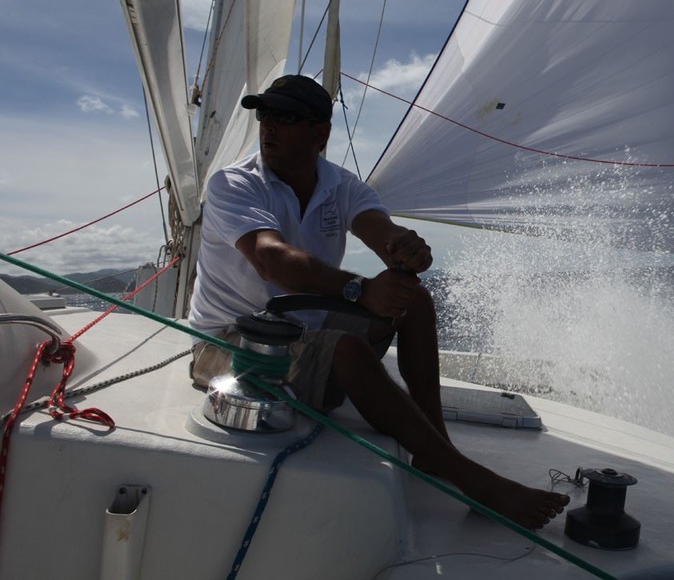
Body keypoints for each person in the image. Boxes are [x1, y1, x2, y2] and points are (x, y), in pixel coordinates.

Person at [187, 74, 568, 530]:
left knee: (415, 300)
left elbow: (379, 230)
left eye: (286, 117)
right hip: (231, 343)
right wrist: (359, 290)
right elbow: (270, 259)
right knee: (344, 349)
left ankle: (433, 447)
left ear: (320, 132)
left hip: (307, 333)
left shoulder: (343, 187)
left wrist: (405, 248)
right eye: (264, 114)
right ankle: (471, 479)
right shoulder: (234, 183)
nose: (268, 126)